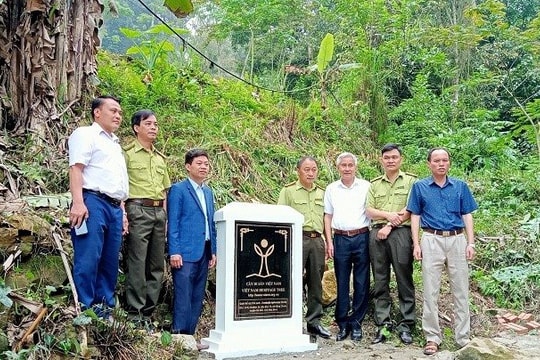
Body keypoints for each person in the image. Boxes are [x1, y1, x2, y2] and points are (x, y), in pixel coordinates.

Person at [407, 148, 477, 356]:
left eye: (444, 160)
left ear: (449, 163)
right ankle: (432, 337)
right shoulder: (420, 187)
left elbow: (467, 215)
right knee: (430, 290)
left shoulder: (460, 186)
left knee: (461, 290)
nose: (441, 164)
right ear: (429, 163)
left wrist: (471, 243)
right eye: (436, 160)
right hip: (431, 239)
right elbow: (415, 216)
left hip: (457, 239)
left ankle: (462, 337)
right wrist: (416, 243)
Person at [68, 95, 129, 318]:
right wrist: (78, 202)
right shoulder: (86, 134)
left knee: (110, 260)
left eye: (120, 113)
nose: (118, 116)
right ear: (97, 112)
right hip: (92, 201)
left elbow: (117, 182)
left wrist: (122, 212)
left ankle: (104, 310)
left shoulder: (114, 143)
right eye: (113, 110)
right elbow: (76, 168)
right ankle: (85, 307)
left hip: (114, 207)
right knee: (89, 256)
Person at [366, 144, 417, 345]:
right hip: (377, 234)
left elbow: (411, 207)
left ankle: (406, 325)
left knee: (404, 278)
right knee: (380, 279)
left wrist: (389, 224)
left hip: (401, 234)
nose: (391, 160)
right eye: (387, 157)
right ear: (381, 160)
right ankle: (383, 325)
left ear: (401, 159)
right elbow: (369, 210)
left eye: (394, 157)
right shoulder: (374, 184)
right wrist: (387, 217)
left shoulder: (411, 181)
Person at [123, 110, 171, 323]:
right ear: (136, 128)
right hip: (137, 208)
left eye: (156, 124)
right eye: (149, 123)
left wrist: (166, 217)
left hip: (159, 212)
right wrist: (124, 213)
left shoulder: (160, 158)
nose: (154, 127)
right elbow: (120, 186)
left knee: (156, 265)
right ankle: (135, 313)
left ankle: (148, 313)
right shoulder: (127, 154)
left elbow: (165, 190)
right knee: (137, 262)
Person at [167, 149, 217, 348]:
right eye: (199, 163)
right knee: (183, 294)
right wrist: (174, 250)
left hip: (204, 250)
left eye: (206, 163)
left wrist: (213, 249)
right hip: (185, 252)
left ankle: (191, 336)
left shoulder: (208, 191)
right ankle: (179, 337)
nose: (204, 166)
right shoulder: (179, 190)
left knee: (197, 295)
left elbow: (210, 223)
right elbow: (174, 222)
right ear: (188, 166)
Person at [277, 156, 330, 339]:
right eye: (306, 169)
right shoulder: (288, 191)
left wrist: (328, 242)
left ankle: (314, 322)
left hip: (317, 240)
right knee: (291, 280)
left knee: (316, 281)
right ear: (298, 171)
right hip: (296, 239)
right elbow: (281, 218)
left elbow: (327, 219)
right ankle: (290, 320)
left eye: (314, 169)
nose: (310, 173)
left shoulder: (323, 192)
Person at [323, 152, 371, 342]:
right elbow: (327, 215)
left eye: (350, 165)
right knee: (341, 281)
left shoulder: (366, 187)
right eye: (344, 165)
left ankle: (356, 322)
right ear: (338, 168)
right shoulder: (331, 189)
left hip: (362, 237)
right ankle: (342, 323)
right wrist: (329, 241)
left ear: (355, 167)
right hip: (340, 239)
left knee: (361, 281)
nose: (347, 168)